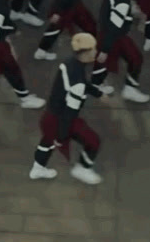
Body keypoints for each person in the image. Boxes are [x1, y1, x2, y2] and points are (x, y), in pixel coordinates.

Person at [30, 32, 105, 184]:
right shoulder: (77, 82)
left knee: (47, 141)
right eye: (93, 49)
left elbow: (83, 82)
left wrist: (98, 93)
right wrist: (62, 136)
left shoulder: (70, 63)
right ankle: (82, 169)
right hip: (61, 119)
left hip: (50, 115)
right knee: (93, 141)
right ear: (85, 52)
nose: (96, 52)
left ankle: (37, 168)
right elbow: (70, 112)